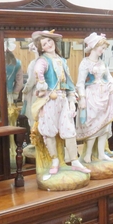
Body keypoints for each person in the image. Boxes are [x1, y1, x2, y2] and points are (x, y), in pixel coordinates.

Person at [31, 30, 90, 176]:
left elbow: (69, 82)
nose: (48, 44)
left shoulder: (62, 60)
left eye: (49, 41)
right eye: (44, 44)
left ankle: (74, 161)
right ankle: (55, 160)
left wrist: (71, 98)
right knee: (49, 130)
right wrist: (43, 83)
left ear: (54, 42)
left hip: (63, 99)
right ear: (42, 48)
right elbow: (39, 70)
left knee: (69, 129)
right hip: (50, 100)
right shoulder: (43, 60)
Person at [76, 32, 113, 163]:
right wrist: (82, 98)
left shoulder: (103, 63)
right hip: (92, 96)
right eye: (102, 47)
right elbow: (80, 82)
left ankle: (101, 153)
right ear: (94, 46)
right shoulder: (85, 63)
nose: (103, 50)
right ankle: (87, 154)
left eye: (104, 48)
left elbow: (110, 78)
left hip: (105, 97)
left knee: (104, 127)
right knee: (92, 125)